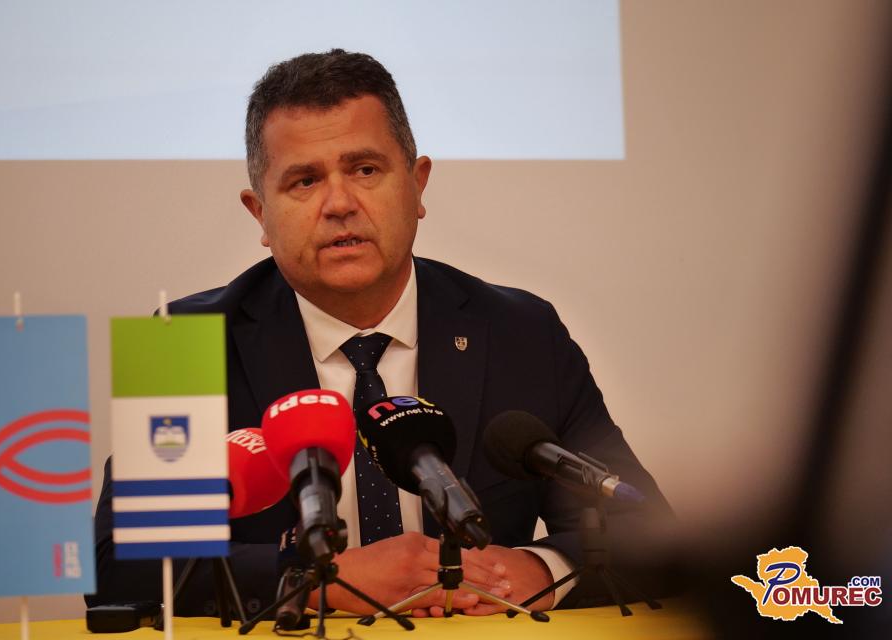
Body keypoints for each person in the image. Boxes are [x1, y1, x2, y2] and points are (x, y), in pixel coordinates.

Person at [88, 49, 673, 618]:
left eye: (365, 170)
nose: (339, 203)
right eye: (304, 181)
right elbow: (125, 566)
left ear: (418, 185)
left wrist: (539, 570)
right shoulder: (184, 341)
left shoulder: (521, 332)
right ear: (259, 213)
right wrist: (318, 580)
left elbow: (647, 531)